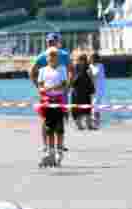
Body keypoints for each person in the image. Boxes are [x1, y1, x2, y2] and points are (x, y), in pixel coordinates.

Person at [30, 33, 73, 161]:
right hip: (46, 95)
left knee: (61, 120)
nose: (51, 43)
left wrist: (68, 86)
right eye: (49, 41)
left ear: (58, 42)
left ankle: (59, 146)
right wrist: (39, 88)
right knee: (46, 120)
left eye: (53, 41)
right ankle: (47, 146)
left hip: (61, 94)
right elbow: (32, 71)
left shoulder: (64, 55)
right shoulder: (42, 56)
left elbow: (71, 70)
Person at [37, 47, 68, 167]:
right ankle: (51, 153)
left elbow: (64, 85)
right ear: (47, 58)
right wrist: (43, 90)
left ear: (57, 57)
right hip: (47, 101)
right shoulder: (43, 70)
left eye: (54, 55)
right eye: (50, 55)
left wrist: (53, 88)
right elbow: (40, 86)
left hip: (58, 100)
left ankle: (59, 153)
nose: (52, 57)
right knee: (49, 129)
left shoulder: (62, 69)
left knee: (59, 128)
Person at [71, 52, 96, 131]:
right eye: (80, 59)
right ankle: (80, 125)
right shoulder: (75, 67)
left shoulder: (87, 68)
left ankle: (88, 124)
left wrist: (93, 88)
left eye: (83, 60)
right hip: (77, 90)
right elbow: (71, 79)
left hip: (85, 90)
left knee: (87, 108)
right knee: (78, 108)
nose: (82, 61)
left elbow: (92, 78)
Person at [89, 52, 106, 129]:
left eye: (91, 58)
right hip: (92, 89)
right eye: (90, 58)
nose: (90, 59)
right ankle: (95, 123)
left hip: (99, 89)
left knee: (95, 105)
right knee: (93, 106)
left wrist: (89, 73)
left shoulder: (100, 66)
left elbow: (95, 75)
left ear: (95, 59)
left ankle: (96, 123)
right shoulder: (90, 66)